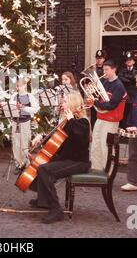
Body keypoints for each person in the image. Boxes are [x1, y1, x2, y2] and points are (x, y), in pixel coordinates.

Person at [29, 92, 91, 224]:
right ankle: (44, 200)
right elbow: (58, 139)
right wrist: (42, 138)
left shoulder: (83, 122)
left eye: (65, 102)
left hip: (78, 162)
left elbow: (79, 138)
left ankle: (56, 209)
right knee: (39, 162)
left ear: (73, 103)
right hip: (67, 158)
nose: (62, 104)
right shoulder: (70, 121)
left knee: (44, 170)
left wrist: (71, 120)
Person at [90, 59, 127, 170]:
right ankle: (96, 169)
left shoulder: (119, 86)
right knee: (96, 144)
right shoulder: (105, 83)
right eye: (103, 69)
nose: (104, 72)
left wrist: (95, 102)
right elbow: (98, 97)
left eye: (106, 69)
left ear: (114, 70)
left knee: (105, 147)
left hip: (111, 120)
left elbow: (112, 105)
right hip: (100, 118)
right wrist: (92, 93)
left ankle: (107, 172)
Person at [7, 78, 39, 174]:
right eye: (17, 86)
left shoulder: (29, 96)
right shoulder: (14, 96)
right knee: (16, 143)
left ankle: (25, 163)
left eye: (21, 86)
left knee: (24, 142)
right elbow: (10, 107)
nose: (19, 88)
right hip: (15, 122)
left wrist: (23, 107)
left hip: (25, 121)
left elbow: (35, 109)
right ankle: (18, 164)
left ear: (25, 86)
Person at [118, 52, 137, 129]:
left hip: (134, 96)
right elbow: (120, 79)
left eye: (130, 60)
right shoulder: (122, 71)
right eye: (127, 60)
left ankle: (132, 130)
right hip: (125, 96)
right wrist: (131, 80)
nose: (129, 61)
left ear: (134, 61)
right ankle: (124, 131)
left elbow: (136, 79)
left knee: (134, 114)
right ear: (125, 62)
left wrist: (127, 79)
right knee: (124, 114)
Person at [90, 49, 106, 127]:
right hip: (94, 94)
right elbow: (87, 80)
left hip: (103, 94)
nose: (99, 60)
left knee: (102, 113)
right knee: (93, 115)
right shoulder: (92, 68)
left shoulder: (106, 69)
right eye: (97, 58)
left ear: (104, 59)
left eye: (100, 58)